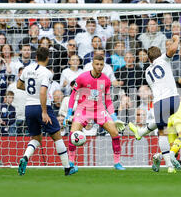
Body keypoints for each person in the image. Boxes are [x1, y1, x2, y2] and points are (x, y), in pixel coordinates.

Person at [128, 36, 181, 172]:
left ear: (148, 59)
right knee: (161, 123)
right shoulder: (164, 59)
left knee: (162, 132)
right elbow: (173, 49)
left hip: (160, 102)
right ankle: (141, 132)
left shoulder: (147, 72)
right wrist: (176, 39)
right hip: (175, 100)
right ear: (160, 55)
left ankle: (169, 166)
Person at [17, 47, 75, 176]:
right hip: (42, 107)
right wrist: (44, 112)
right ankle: (67, 168)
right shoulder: (47, 73)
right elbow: (43, 92)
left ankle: (25, 157)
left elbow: (18, 85)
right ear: (48, 58)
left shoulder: (27, 69)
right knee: (57, 136)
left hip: (29, 107)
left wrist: (31, 93)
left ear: (36, 57)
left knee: (36, 138)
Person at [64, 54, 126, 171]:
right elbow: (73, 95)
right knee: (73, 134)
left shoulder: (106, 80)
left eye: (101, 64)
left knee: (115, 133)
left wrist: (114, 117)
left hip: (99, 110)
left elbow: (108, 100)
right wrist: (68, 113)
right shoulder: (82, 77)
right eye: (97, 64)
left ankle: (117, 163)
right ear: (92, 64)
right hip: (83, 110)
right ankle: (71, 162)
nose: (99, 66)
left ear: (104, 65)